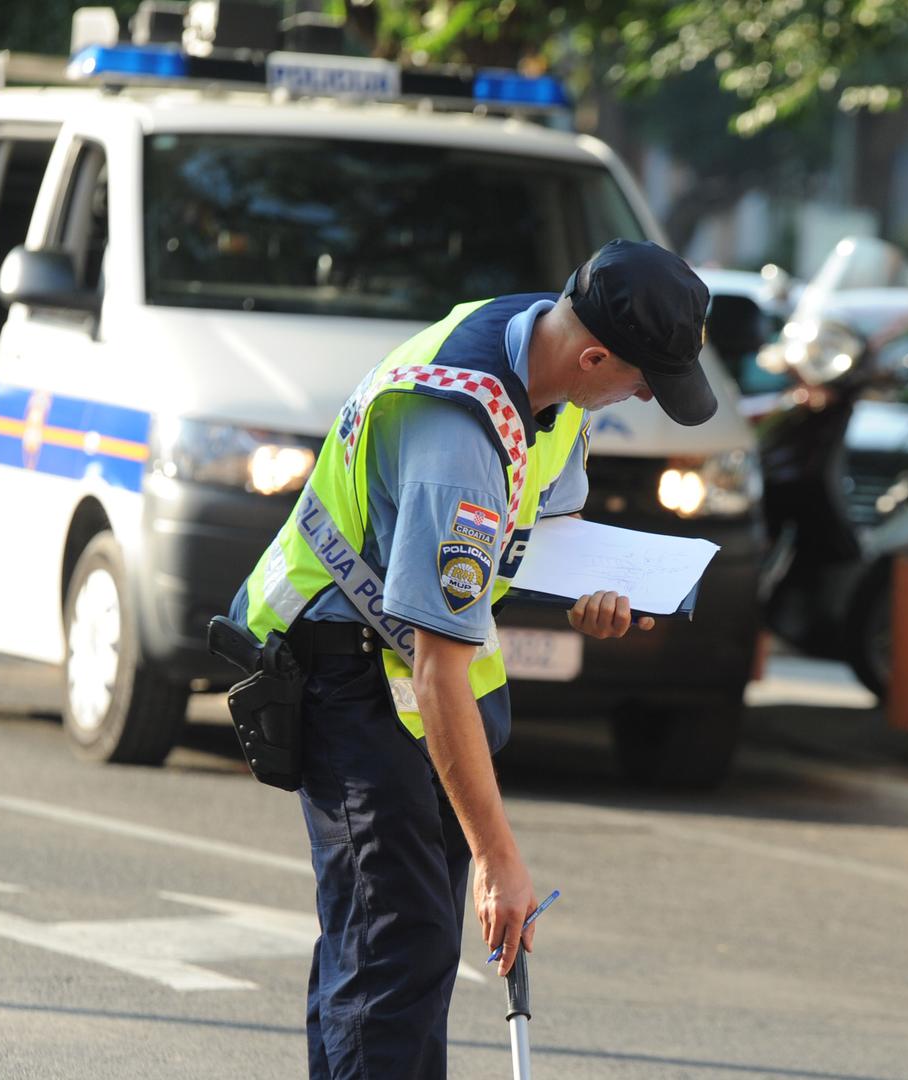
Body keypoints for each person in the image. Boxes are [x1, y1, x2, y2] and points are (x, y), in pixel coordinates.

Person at [225, 238, 716, 1079]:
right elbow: (437, 667)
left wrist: (587, 592)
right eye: (640, 382)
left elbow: (533, 528)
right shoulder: (459, 431)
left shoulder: (544, 349)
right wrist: (500, 861)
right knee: (393, 945)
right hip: (343, 667)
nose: (639, 398)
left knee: (393, 945)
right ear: (596, 353)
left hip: (404, 665)